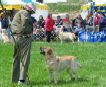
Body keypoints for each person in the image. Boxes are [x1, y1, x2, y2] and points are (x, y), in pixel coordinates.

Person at [11, 3, 36, 85]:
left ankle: (14, 79)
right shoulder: (25, 13)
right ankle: (22, 80)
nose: (31, 13)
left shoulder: (18, 12)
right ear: (28, 8)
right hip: (23, 38)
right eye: (32, 11)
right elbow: (24, 23)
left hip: (15, 37)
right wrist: (29, 32)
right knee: (25, 59)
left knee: (16, 59)